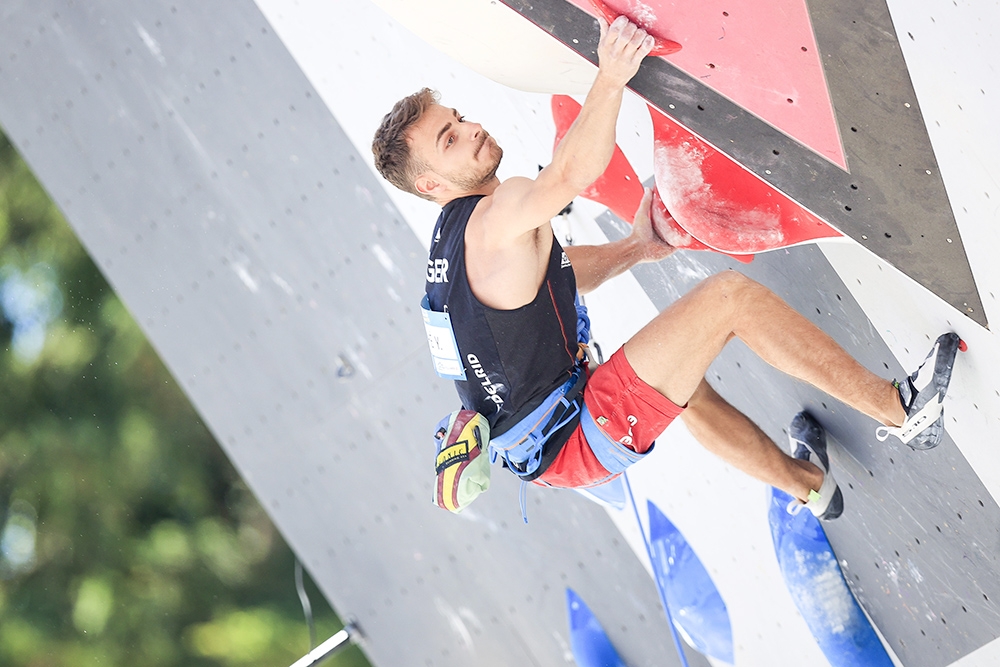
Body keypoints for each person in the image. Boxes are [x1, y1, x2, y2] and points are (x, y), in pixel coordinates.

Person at [371, 16, 960, 520]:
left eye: (459, 118)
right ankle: (903, 410)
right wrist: (612, 73)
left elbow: (556, 273)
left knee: (684, 380)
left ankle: (809, 486)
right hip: (577, 432)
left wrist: (636, 247)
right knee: (729, 300)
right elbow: (571, 175)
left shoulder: (453, 242)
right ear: (430, 184)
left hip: (548, 439)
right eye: (449, 139)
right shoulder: (496, 215)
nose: (471, 129)